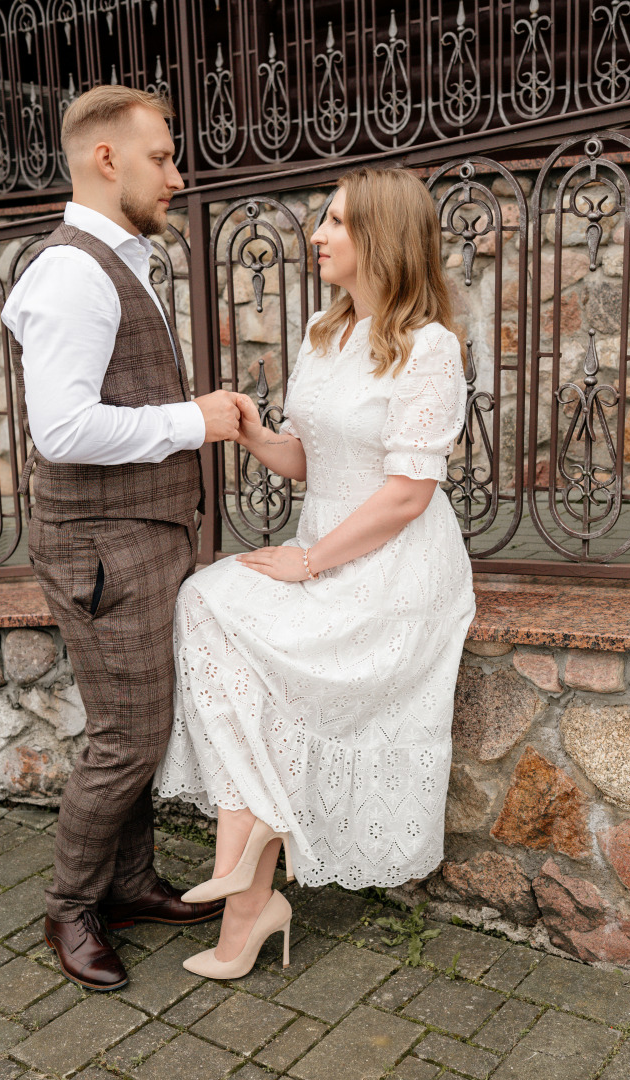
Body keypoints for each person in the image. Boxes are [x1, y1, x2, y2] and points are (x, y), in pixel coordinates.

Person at [155, 166, 476, 979]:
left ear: (382, 237)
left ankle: (244, 901)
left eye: (336, 221)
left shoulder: (430, 348)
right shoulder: (323, 332)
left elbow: (406, 495)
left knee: (242, 635)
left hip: (395, 565)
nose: (318, 234)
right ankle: (251, 872)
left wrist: (308, 561)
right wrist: (255, 437)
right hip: (326, 543)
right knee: (205, 602)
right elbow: (313, 459)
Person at [2, 85, 239, 991]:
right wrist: (193, 420)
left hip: (137, 536)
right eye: (163, 158)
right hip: (103, 548)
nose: (177, 176)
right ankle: (69, 907)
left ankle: (130, 885)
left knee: (141, 727)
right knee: (125, 739)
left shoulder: (116, 259)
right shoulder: (73, 273)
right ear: (108, 159)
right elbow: (63, 430)